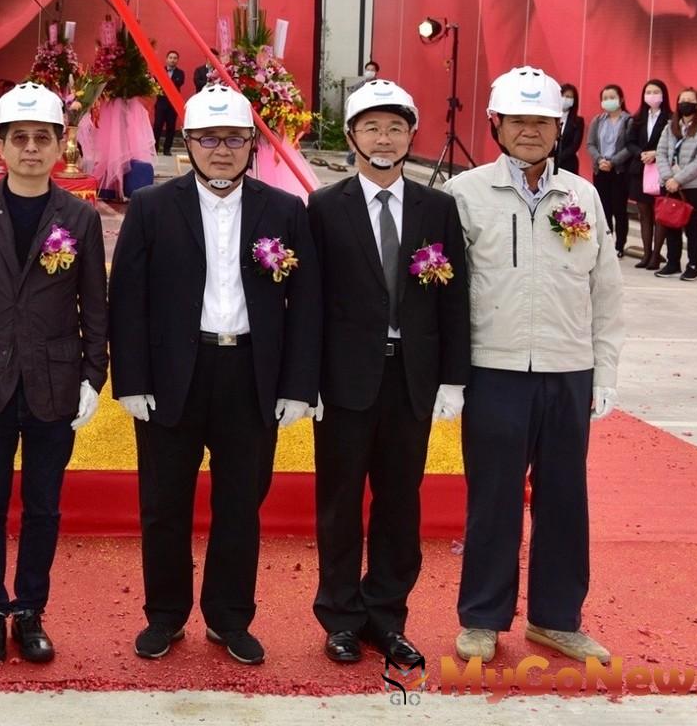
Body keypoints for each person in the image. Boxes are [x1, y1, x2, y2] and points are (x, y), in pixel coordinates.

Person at [109, 83, 321, 666]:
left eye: (233, 138)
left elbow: (306, 305)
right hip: (173, 374)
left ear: (252, 144)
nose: (221, 150)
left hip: (250, 374)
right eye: (208, 138)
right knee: (163, 502)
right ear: (188, 144)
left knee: (240, 505)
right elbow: (126, 298)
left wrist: (298, 385)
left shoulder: (283, 210)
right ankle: (165, 616)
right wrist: (130, 379)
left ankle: (230, 619)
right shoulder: (152, 207)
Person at [445, 66, 622, 666]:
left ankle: (557, 619)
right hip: (493, 369)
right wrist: (450, 373)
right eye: (518, 121)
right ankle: (482, 619)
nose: (530, 131)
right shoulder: (465, 194)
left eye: (541, 122)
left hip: (568, 369)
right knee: (492, 497)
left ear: (559, 128)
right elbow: (445, 293)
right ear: (495, 124)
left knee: (566, 498)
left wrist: (604, 373)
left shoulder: (583, 196)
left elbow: (607, 291)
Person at [0, 82, 108, 665]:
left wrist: (93, 375)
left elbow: (96, 304)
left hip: (54, 383)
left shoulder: (79, 217)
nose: (31, 148)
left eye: (43, 138)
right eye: (19, 138)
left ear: (61, 144)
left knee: (44, 505)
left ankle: (30, 611)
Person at [309, 80, 469, 669]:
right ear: (351, 135)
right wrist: (308, 384)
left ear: (410, 137)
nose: (384, 138)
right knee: (341, 502)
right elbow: (311, 304)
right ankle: (341, 618)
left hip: (412, 381)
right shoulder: (325, 208)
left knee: (401, 504)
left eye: (396, 127)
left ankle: (387, 616)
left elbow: (455, 299)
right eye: (372, 127)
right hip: (345, 383)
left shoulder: (439, 209)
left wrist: (452, 378)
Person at [654, 88, 697, 282]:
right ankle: (673, 262)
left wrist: (678, 179)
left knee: (692, 228)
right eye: (682, 100)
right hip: (670, 184)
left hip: (693, 186)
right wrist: (668, 177)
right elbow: (661, 152)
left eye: (690, 101)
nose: (685, 104)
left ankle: (693, 265)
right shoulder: (669, 127)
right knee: (671, 224)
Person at [585, 85, 636, 258]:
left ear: (621, 99)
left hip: (619, 171)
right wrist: (600, 160)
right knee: (603, 209)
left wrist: (613, 162)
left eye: (612, 97)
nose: (608, 101)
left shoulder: (628, 121)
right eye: (605, 98)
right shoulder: (598, 120)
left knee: (619, 209)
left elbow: (630, 146)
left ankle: (620, 244)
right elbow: (590, 144)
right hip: (600, 170)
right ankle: (606, 242)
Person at [629, 79, 672, 270]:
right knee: (644, 214)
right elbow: (629, 142)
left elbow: (672, 145)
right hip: (640, 170)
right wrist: (641, 154)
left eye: (656, 92)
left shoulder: (670, 118)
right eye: (648, 92)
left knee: (659, 215)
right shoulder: (637, 118)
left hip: (661, 170)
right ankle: (646, 254)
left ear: (663, 95)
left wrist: (656, 154)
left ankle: (656, 255)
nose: (652, 95)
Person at [153, 51, 185, 156]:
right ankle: (155, 148)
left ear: (177, 60)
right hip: (161, 103)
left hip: (172, 104)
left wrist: (166, 82)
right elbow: (156, 83)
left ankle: (167, 149)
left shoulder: (180, 73)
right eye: (170, 57)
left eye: (175, 58)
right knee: (157, 126)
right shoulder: (159, 70)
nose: (172, 60)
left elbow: (178, 83)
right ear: (167, 59)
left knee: (171, 127)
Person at [555, 83, 584, 175]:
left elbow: (575, 146)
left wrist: (558, 158)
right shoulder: (549, 118)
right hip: (547, 162)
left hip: (568, 164)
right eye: (563, 96)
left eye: (569, 97)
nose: (565, 99)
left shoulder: (578, 121)